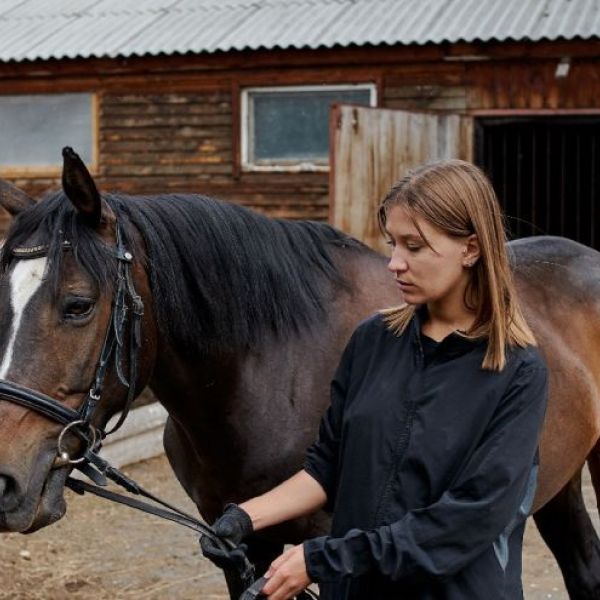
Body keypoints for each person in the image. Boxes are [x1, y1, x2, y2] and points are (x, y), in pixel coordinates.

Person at [201, 159, 549, 600]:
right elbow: (327, 468)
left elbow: (468, 520)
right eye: (392, 244)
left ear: (471, 249)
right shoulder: (372, 340)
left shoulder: (519, 372)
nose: (394, 264)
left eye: (414, 247)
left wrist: (326, 559)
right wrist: (243, 518)